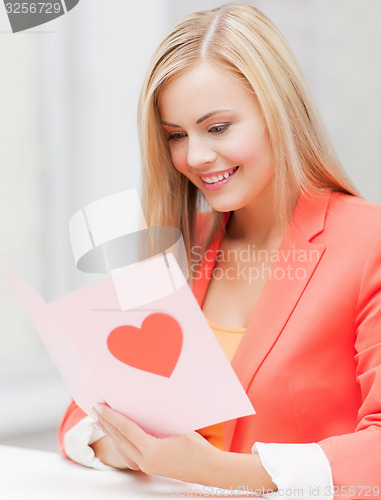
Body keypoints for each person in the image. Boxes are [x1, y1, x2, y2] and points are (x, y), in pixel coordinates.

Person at [57, 4, 381, 498]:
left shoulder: (368, 242)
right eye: (176, 136)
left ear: (279, 112)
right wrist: (132, 447)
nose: (196, 156)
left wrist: (216, 470)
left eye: (218, 127)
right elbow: (84, 414)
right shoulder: (176, 243)